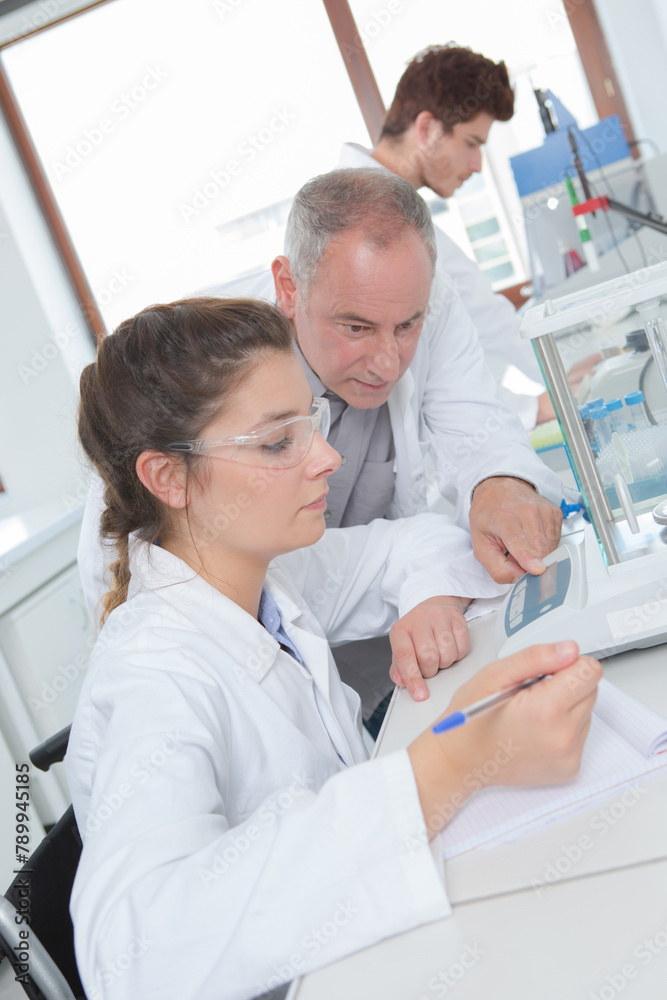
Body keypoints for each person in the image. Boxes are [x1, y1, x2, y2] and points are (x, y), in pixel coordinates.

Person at [67, 296, 601, 1000]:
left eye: (309, 423)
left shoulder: (263, 571)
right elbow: (132, 957)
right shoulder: (150, 674)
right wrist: (443, 768)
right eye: (276, 441)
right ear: (168, 477)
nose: (327, 457)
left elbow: (415, 543)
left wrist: (426, 596)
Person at [78, 169, 563, 719]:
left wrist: (500, 487)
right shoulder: (209, 369)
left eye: (407, 326)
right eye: (355, 328)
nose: (388, 363)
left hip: (368, 651)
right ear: (289, 288)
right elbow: (120, 553)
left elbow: (474, 428)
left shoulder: (418, 296)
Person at [338, 43, 599, 427]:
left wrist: (568, 373)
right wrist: (535, 407)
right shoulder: (365, 217)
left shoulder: (397, 209)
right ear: (426, 128)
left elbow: (485, 313)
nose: (477, 165)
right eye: (471, 144)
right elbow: (415, 379)